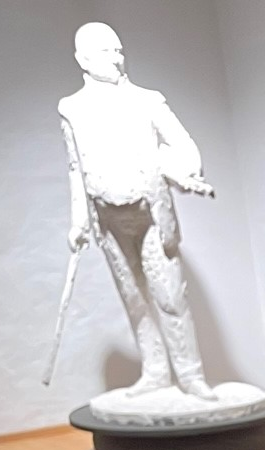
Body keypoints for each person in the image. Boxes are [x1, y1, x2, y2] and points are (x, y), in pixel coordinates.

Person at [58, 23, 216, 403]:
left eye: (118, 50)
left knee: (170, 298)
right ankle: (156, 372)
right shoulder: (71, 109)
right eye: (106, 51)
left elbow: (183, 145)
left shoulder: (147, 101)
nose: (117, 58)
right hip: (108, 222)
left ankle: (191, 376)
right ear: (83, 59)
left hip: (150, 216)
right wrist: (79, 221)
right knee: (134, 300)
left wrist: (185, 173)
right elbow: (75, 167)